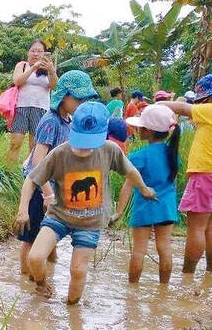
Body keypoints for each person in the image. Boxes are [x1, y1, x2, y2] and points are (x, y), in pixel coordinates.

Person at [14, 102, 157, 304]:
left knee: (78, 271)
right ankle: (40, 283)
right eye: (79, 141)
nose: (83, 149)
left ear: (102, 137)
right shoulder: (60, 153)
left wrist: (144, 189)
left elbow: (131, 171)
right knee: (36, 257)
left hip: (90, 222)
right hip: (59, 215)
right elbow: (32, 179)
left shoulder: (110, 150)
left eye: (89, 144)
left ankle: (72, 310)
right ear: (73, 131)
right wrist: (22, 210)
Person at [16, 70, 99, 275]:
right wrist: (48, 194)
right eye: (78, 98)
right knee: (31, 238)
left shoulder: (68, 121)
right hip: (39, 188)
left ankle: (47, 274)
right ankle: (27, 282)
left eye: (84, 99)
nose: (81, 103)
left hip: (53, 189)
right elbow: (38, 161)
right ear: (64, 96)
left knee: (49, 236)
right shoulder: (50, 121)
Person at [111, 105, 179, 283]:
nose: (136, 129)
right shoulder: (172, 154)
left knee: (139, 251)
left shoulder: (139, 156)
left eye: (140, 127)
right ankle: (163, 289)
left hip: (144, 208)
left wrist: (118, 212)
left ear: (147, 131)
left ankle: (132, 291)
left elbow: (127, 185)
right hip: (167, 207)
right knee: (165, 248)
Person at [157, 73, 212, 274]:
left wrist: (160, 105)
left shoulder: (209, 110)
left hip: (205, 172)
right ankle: (209, 273)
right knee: (210, 228)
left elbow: (183, 108)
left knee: (196, 228)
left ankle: (187, 274)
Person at [6, 39, 58, 164]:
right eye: (33, 50)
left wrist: (51, 70)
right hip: (21, 107)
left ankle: (30, 176)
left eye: (39, 51)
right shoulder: (22, 65)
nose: (36, 54)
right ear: (28, 52)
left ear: (44, 53)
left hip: (41, 109)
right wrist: (33, 68)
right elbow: (17, 81)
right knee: (15, 143)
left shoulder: (49, 68)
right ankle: (8, 174)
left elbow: (54, 86)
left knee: (34, 146)